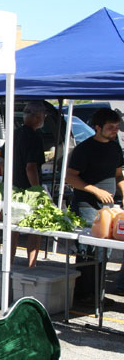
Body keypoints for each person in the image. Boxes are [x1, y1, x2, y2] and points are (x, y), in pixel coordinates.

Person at [66, 107, 124, 298]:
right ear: (98, 128)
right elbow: (70, 177)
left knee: (104, 250)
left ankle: (95, 293)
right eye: (111, 127)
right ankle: (83, 294)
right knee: (89, 250)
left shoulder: (115, 147)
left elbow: (118, 175)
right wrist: (95, 190)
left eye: (116, 126)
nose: (115, 130)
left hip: (109, 207)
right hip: (87, 205)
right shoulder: (85, 149)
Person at [11, 101, 47, 267]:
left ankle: (8, 263)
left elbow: (3, 160)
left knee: (12, 228)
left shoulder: (14, 134)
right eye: (43, 116)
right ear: (37, 116)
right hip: (28, 191)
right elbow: (31, 167)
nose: (43, 119)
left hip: (12, 188)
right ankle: (31, 264)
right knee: (35, 228)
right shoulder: (34, 137)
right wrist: (37, 190)